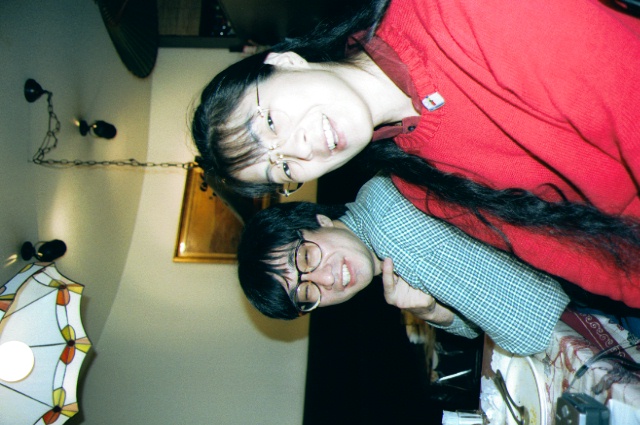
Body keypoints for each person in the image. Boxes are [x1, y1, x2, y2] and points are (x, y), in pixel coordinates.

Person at [192, 0, 640, 307]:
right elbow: (587, 259)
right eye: (284, 168)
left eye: (270, 123)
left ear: (285, 63)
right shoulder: (416, 182)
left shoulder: (450, 13)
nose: (299, 149)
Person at [238, 174, 569, 356]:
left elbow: (532, 325)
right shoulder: (372, 198)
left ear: (318, 220)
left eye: (306, 257)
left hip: (577, 278)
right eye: (307, 293)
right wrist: (431, 312)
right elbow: (477, 320)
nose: (325, 279)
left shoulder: (388, 227)